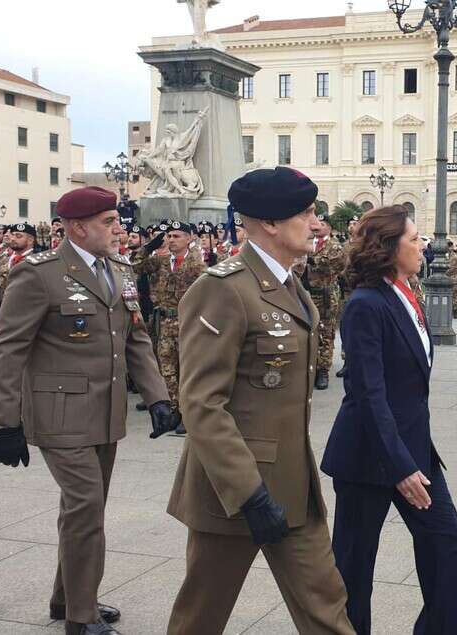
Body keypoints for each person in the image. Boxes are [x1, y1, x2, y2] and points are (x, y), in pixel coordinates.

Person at [165, 167, 354, 635]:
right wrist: (248, 494)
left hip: (292, 485)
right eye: (306, 213)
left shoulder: (291, 285)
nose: (316, 223)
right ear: (270, 222)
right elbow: (203, 404)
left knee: (326, 606)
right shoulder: (223, 288)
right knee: (201, 616)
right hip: (235, 492)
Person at [0, 186, 177, 635]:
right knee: (86, 508)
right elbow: (8, 349)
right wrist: (4, 423)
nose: (119, 229)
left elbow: (136, 339)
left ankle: (67, 598)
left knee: (84, 511)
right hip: (60, 414)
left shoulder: (121, 269)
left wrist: (159, 398)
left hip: (105, 412)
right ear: (77, 227)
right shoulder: (39, 274)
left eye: (117, 220)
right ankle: (80, 617)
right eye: (109, 222)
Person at [322, 205, 457, 635]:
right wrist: (400, 466)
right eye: (414, 238)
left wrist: (410, 458)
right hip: (369, 458)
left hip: (414, 449)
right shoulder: (366, 305)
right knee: (354, 570)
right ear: (388, 248)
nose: (424, 245)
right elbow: (368, 393)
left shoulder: (406, 291)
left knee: (446, 550)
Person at [132, 221, 206, 434]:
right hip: (164, 323)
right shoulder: (161, 261)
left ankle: (187, 413)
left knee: (187, 370)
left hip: (187, 322)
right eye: (169, 236)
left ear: (189, 238)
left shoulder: (196, 263)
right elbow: (135, 265)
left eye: (177, 236)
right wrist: (149, 246)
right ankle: (174, 409)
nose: (171, 240)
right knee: (167, 370)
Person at [301, 212, 346, 390]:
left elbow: (335, 264)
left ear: (329, 227)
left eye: (323, 223)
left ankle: (323, 370)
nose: (318, 226)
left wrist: (312, 259)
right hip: (306, 293)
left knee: (325, 331)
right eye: (317, 222)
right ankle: (311, 367)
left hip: (326, 294)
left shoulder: (334, 246)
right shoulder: (306, 242)